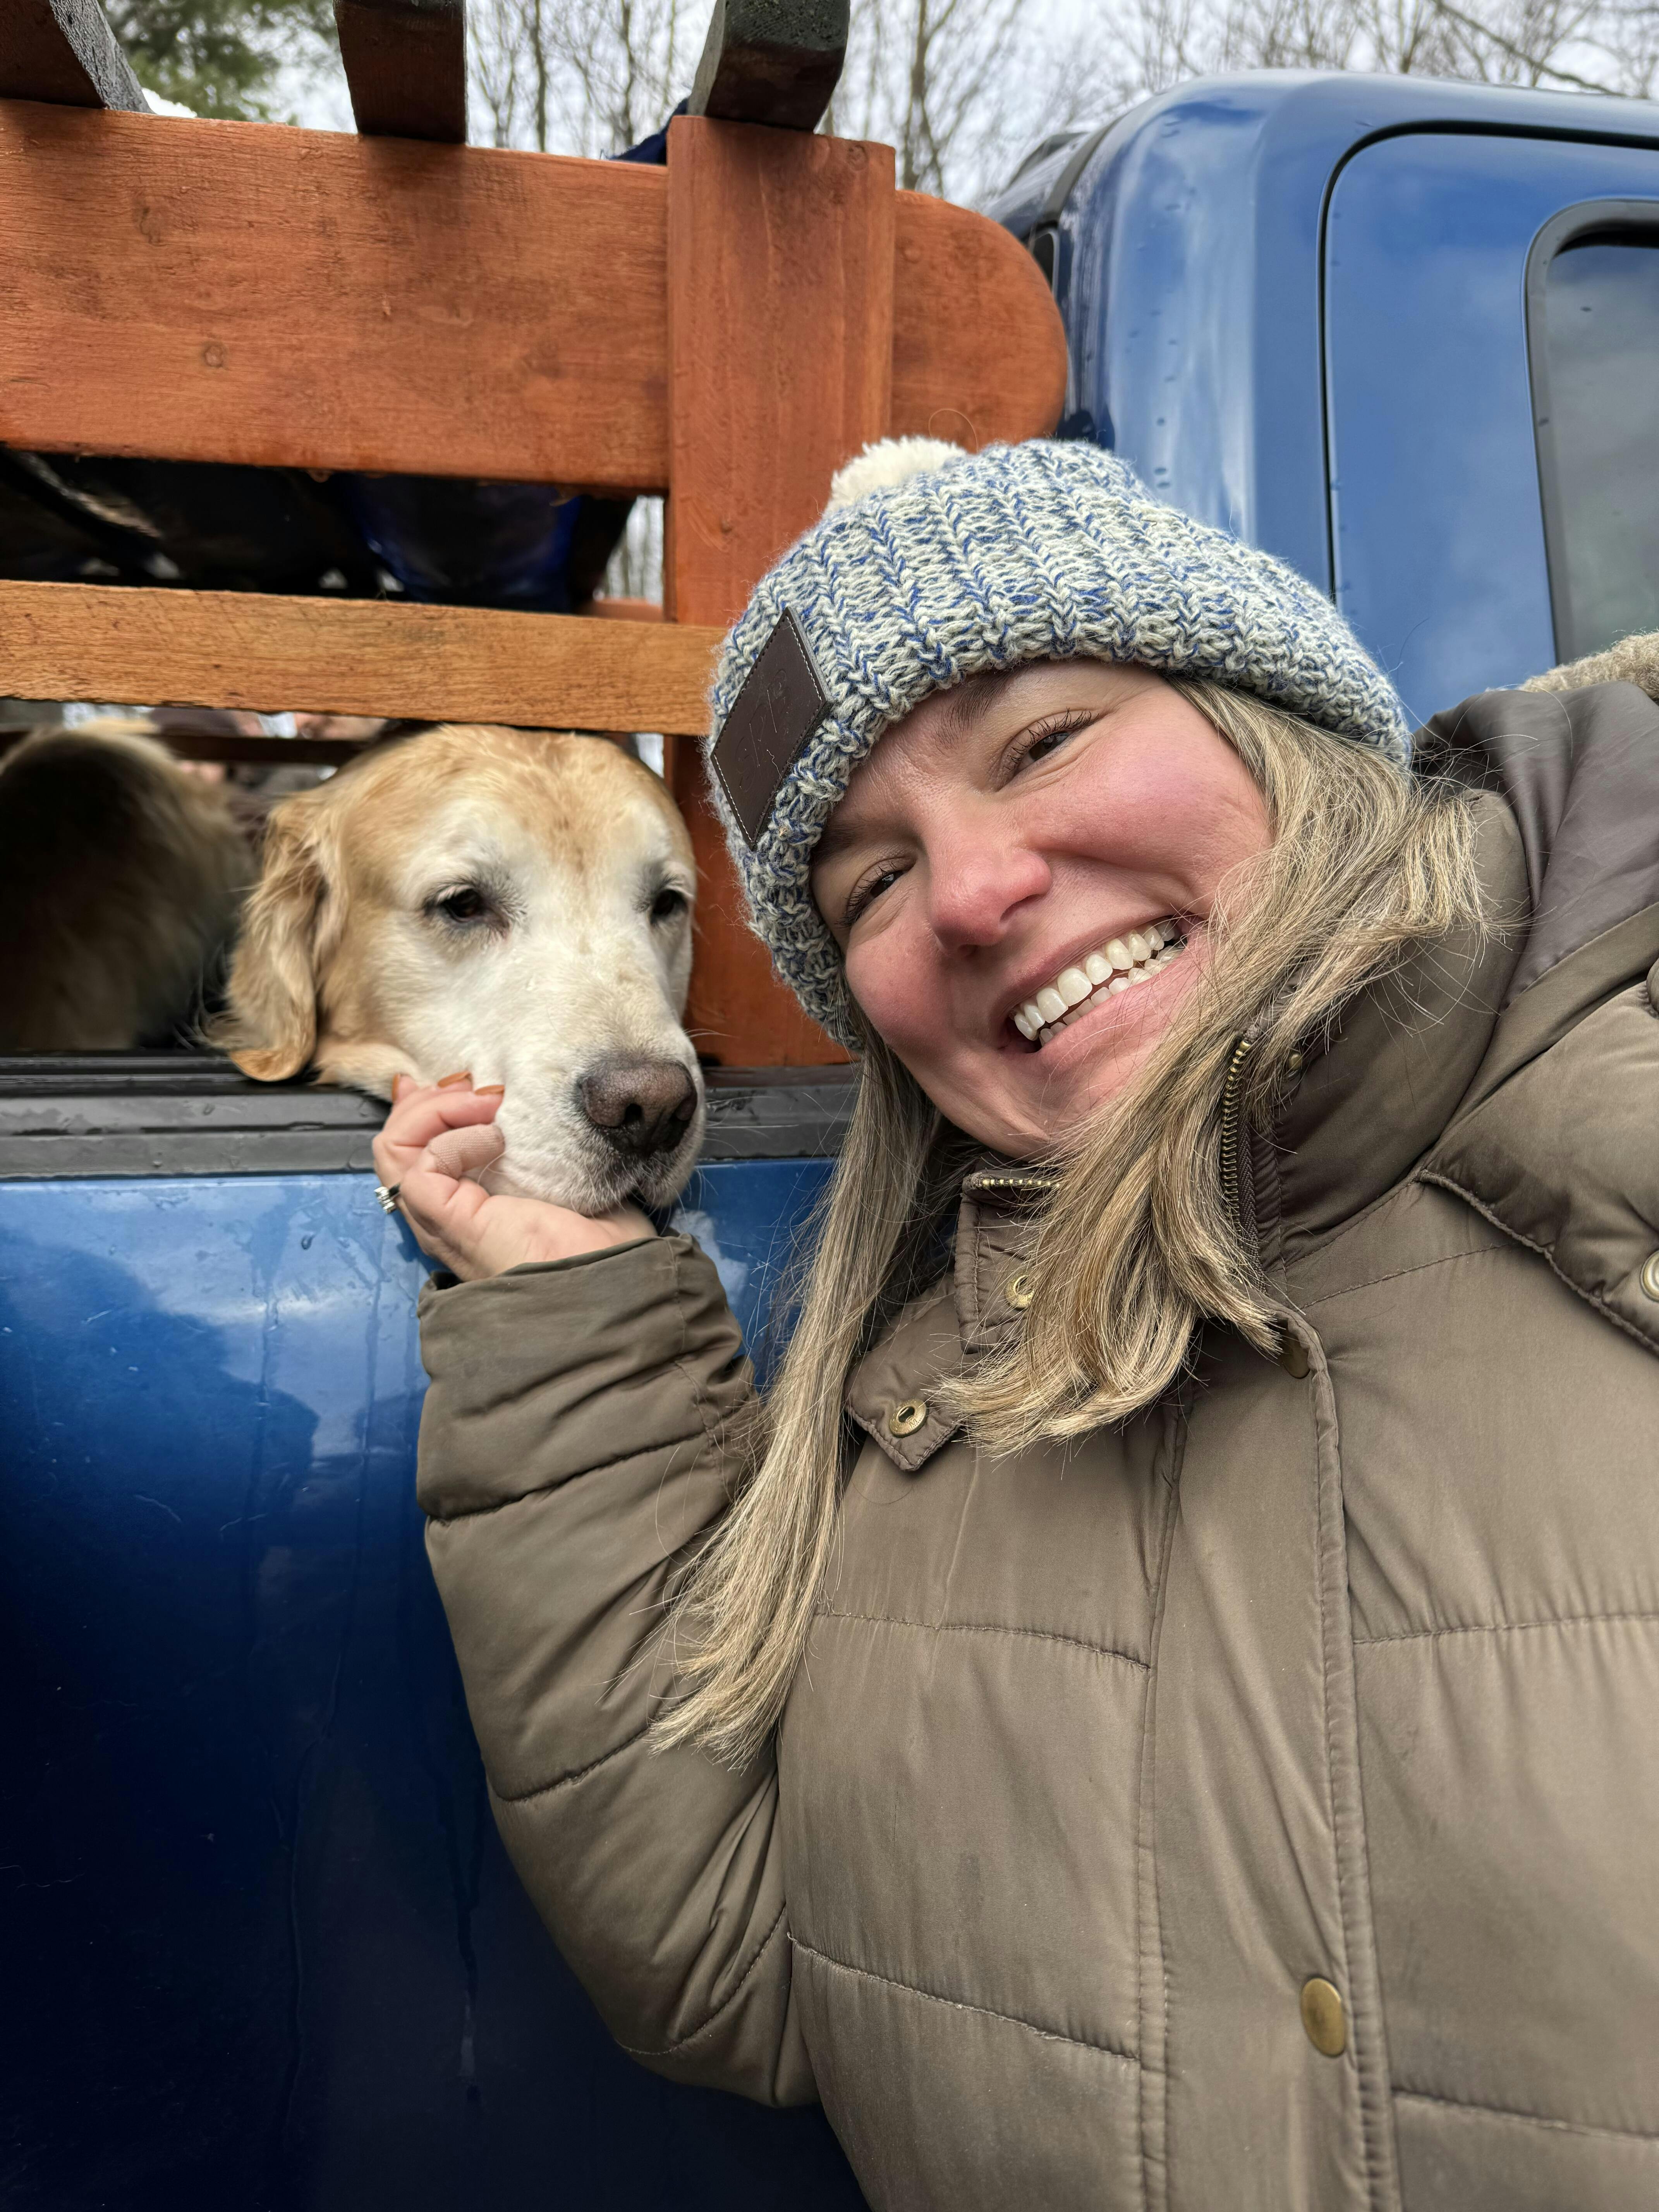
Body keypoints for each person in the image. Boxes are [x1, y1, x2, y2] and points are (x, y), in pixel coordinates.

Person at [373, 439, 1659, 2212]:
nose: (974, 893)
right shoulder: (929, 1393)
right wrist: (569, 1306)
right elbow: (745, 1963)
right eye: (870, 885)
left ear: (1273, 712)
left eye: (1045, 741)